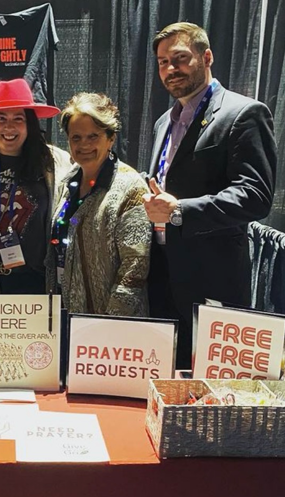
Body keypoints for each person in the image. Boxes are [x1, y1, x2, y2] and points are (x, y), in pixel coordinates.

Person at [143, 21, 276, 368]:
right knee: (167, 382)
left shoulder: (243, 113)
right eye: (162, 62)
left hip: (212, 278)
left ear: (207, 56)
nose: (170, 69)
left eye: (180, 58)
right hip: (162, 275)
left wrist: (181, 210)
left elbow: (255, 195)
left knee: (211, 396)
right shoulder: (162, 123)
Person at [0, 78, 71, 305]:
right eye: (1, 119)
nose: (9, 127)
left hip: (38, 283)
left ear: (29, 123)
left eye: (18, 119)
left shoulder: (55, 162)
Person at [47, 92, 151, 316]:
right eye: (76, 137)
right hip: (65, 315)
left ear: (111, 137)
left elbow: (135, 267)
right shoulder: (67, 184)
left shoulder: (131, 188)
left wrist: (108, 324)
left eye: (93, 136)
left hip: (109, 329)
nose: (84, 145)